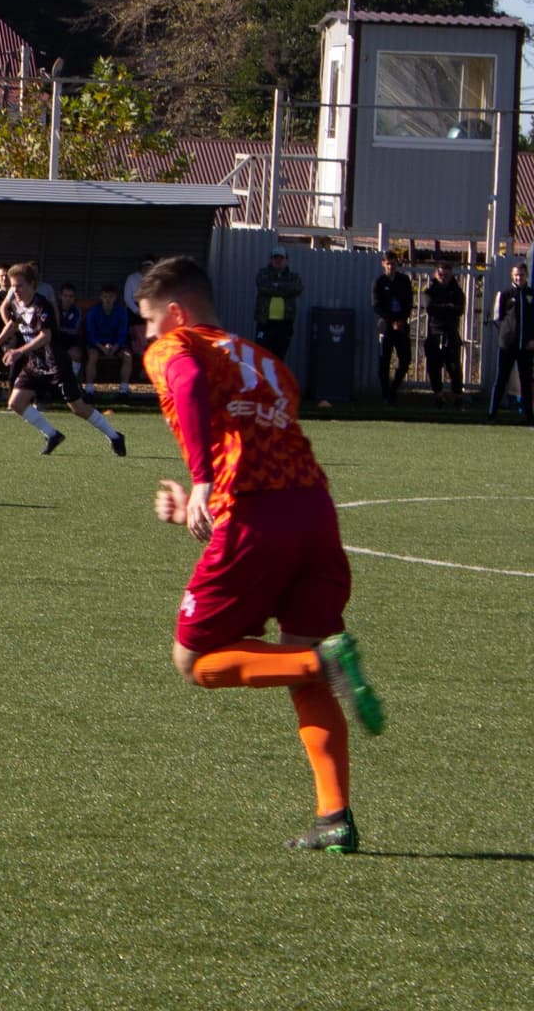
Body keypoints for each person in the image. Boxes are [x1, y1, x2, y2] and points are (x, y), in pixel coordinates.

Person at [136, 254, 385, 854]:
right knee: (302, 661)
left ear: (174, 313)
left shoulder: (176, 347)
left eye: (147, 321)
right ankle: (335, 817)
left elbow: (191, 387)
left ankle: (320, 664)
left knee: (194, 659)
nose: (145, 335)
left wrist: (201, 481)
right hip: (315, 515)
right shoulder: (268, 362)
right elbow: (260, 446)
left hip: (257, 519)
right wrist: (208, 498)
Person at [0, 261, 127, 456]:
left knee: (78, 407)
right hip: (35, 363)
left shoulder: (42, 305)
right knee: (16, 403)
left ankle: (115, 436)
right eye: (13, 286)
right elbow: (13, 324)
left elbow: (45, 336)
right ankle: (52, 434)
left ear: (32, 285)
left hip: (56, 363)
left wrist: (19, 351)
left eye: (20, 285)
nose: (16, 290)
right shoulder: (15, 302)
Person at [486, 261, 534, 424]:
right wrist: (506, 337)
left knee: (526, 381)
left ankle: (529, 415)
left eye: (521, 274)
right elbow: (497, 318)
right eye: (516, 274)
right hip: (507, 345)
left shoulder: (531, 294)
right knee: (501, 378)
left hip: (526, 346)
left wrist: (532, 340)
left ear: (526, 275)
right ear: (511, 276)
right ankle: (492, 413)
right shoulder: (505, 294)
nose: (519, 277)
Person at [371, 252, 414, 404]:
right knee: (384, 360)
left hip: (402, 326)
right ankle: (385, 395)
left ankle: (393, 389)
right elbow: (376, 305)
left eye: (393, 263)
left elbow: (409, 302)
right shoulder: (379, 282)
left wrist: (402, 319)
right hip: (386, 327)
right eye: (388, 263)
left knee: (405, 359)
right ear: (383, 264)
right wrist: (391, 321)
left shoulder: (403, 280)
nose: (391, 266)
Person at [420, 263, 466, 405]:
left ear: (451, 275)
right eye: (441, 274)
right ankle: (438, 395)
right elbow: (430, 308)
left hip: (451, 333)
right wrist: (448, 308)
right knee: (434, 366)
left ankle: (457, 395)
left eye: (446, 275)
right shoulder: (430, 291)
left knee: (454, 367)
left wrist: (442, 309)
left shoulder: (457, 292)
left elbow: (459, 310)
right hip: (434, 333)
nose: (443, 278)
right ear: (435, 274)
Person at [83, 282, 135, 402]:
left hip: (116, 345)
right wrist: (101, 347)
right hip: (97, 344)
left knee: (128, 356)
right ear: (101, 297)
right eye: (105, 296)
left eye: (110, 297)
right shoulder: (93, 311)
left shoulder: (121, 312)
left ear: (115, 298)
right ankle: (89, 391)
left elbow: (123, 333)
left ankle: (123, 391)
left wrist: (115, 346)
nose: (108, 300)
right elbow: (90, 333)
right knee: (92, 356)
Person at [252, 248, 303, 361]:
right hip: (265, 323)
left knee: (279, 357)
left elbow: (296, 288)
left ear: (286, 260)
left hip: (284, 324)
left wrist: (275, 286)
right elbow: (263, 287)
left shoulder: (293, 277)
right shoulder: (263, 274)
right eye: (275, 258)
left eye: (281, 258)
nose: (278, 261)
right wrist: (283, 288)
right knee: (262, 355)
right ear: (271, 260)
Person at [54, 282, 85, 385]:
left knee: (76, 354)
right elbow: (53, 328)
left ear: (74, 298)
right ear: (60, 296)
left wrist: (60, 328)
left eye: (71, 296)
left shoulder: (77, 311)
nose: (68, 299)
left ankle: (72, 383)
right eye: (65, 295)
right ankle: (53, 385)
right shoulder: (54, 309)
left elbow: (74, 330)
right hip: (56, 339)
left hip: (71, 340)